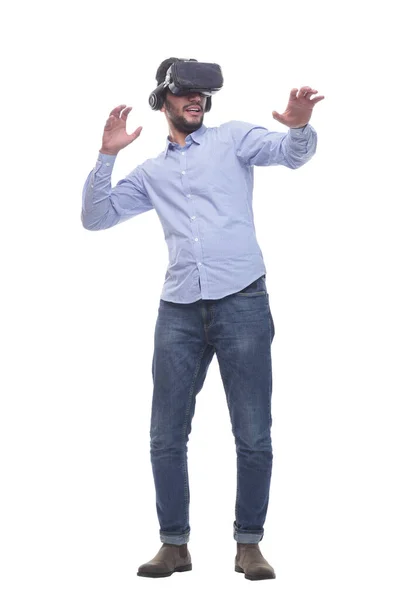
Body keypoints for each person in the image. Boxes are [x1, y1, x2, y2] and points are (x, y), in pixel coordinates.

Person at [81, 57, 324, 581]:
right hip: (179, 311)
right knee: (166, 435)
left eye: (204, 94)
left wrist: (300, 125)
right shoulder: (151, 174)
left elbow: (290, 154)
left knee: (254, 432)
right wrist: (106, 156)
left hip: (243, 301)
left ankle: (249, 545)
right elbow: (95, 217)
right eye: (187, 92)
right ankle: (174, 546)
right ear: (164, 99)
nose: (197, 100)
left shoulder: (234, 140)